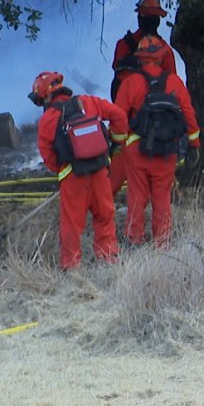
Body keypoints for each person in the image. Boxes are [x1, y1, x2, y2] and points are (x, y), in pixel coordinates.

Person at [32, 71, 129, 269]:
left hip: (73, 178)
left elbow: (48, 157)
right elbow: (118, 115)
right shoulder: (88, 102)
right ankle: (109, 263)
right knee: (105, 218)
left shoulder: (48, 119)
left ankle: (71, 270)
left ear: (45, 97)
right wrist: (116, 143)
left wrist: (62, 168)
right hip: (101, 172)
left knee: (71, 226)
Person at [114, 37, 202, 248]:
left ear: (141, 58)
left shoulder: (130, 82)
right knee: (162, 197)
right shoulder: (174, 82)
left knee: (136, 196)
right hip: (167, 150)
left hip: (137, 149)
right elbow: (189, 114)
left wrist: (118, 143)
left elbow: (118, 117)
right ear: (161, 56)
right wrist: (194, 144)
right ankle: (162, 244)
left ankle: (134, 240)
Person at [109, 0, 179, 195]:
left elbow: (118, 80)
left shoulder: (124, 45)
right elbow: (173, 90)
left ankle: (103, 211)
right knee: (158, 175)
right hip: (155, 124)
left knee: (119, 171)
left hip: (128, 122)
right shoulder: (165, 51)